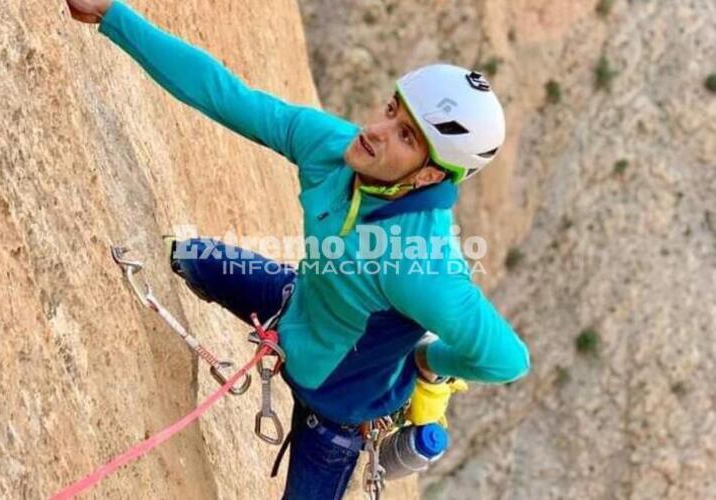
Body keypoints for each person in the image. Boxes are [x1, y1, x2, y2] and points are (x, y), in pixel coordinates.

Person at [66, 1, 530, 498]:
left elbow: (509, 360)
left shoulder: (421, 266)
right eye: (392, 110)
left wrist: (427, 361)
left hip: (335, 414)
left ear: (430, 175)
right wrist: (112, 15)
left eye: (405, 136)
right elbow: (228, 96)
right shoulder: (335, 149)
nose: (376, 131)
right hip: (295, 304)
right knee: (192, 256)